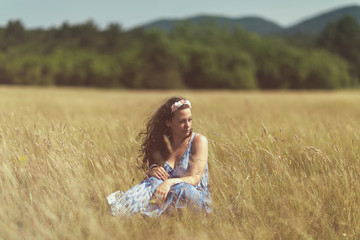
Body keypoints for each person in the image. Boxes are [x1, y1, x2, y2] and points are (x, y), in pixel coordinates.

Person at [106, 97, 212, 217]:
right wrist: (152, 171)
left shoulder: (198, 141)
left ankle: (132, 210)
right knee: (153, 182)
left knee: (181, 189)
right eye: (182, 121)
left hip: (193, 198)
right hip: (165, 198)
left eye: (190, 120)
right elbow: (154, 177)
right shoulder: (163, 143)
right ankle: (123, 210)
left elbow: (194, 178)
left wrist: (168, 183)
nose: (187, 125)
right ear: (168, 122)